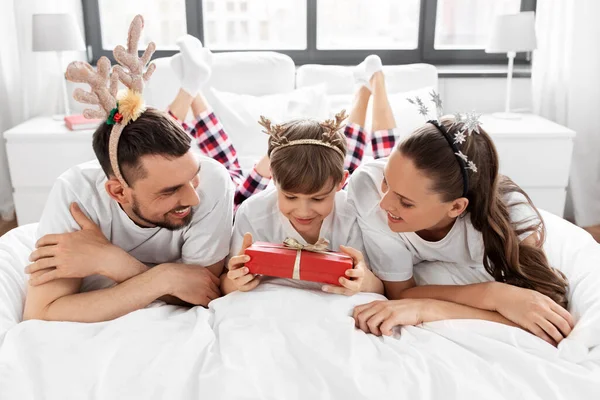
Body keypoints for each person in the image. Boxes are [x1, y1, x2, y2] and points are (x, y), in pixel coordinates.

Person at [22, 15, 233, 323]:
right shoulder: (76, 195)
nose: (193, 198)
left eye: (192, 176)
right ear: (118, 191)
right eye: (171, 190)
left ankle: (193, 89)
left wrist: (113, 261)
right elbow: (41, 313)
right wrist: (165, 279)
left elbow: (202, 291)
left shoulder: (213, 182)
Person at [348, 101, 574, 346]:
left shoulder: (512, 217)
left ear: (456, 207)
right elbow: (400, 293)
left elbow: (540, 315)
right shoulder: (369, 189)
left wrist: (430, 308)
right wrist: (494, 296)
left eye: (405, 202)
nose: (384, 204)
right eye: (386, 182)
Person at [167, 36, 397, 207]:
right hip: (252, 179)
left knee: (230, 180)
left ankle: (191, 87)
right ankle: (191, 87)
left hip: (250, 180)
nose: (304, 211)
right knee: (230, 181)